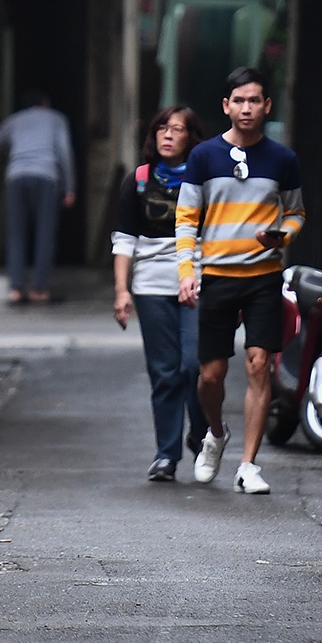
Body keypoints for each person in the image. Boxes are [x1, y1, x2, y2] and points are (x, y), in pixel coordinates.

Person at [176, 66, 305, 495]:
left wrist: (282, 235)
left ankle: (249, 465)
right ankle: (215, 434)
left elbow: (296, 213)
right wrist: (186, 272)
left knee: (258, 364)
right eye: (239, 101)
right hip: (216, 275)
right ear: (226, 106)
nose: (246, 108)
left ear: (267, 106)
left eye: (254, 101)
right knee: (210, 376)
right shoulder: (203, 157)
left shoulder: (283, 159)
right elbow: (186, 219)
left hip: (263, 276)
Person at [111, 106, 208, 482]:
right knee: (164, 372)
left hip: (197, 281)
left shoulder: (205, 181)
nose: (168, 135)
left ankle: (202, 435)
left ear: (190, 137)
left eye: (177, 129)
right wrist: (122, 290)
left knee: (195, 366)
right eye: (162, 128)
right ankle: (166, 454)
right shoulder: (138, 180)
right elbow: (124, 240)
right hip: (151, 284)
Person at [0, 90, 76, 304]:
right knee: (45, 233)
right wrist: (69, 188)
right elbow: (64, 152)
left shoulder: (15, 120)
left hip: (16, 176)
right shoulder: (56, 119)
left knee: (15, 233)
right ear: (46, 103)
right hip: (46, 176)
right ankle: (38, 289)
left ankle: (16, 289)